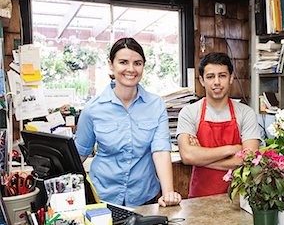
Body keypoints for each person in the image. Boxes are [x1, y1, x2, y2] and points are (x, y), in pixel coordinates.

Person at [75, 37, 181, 207]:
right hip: (101, 198)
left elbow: (160, 150)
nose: (131, 69)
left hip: (145, 197)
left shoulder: (156, 105)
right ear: (111, 65)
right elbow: (79, 154)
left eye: (137, 63)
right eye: (123, 62)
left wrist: (168, 193)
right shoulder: (92, 109)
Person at [176, 52, 261, 198]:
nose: (216, 82)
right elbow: (187, 156)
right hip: (199, 200)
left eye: (222, 75)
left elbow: (248, 159)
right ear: (202, 80)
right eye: (210, 77)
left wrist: (201, 159)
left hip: (239, 199)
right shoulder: (189, 112)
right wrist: (231, 149)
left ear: (231, 78)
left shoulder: (246, 113)